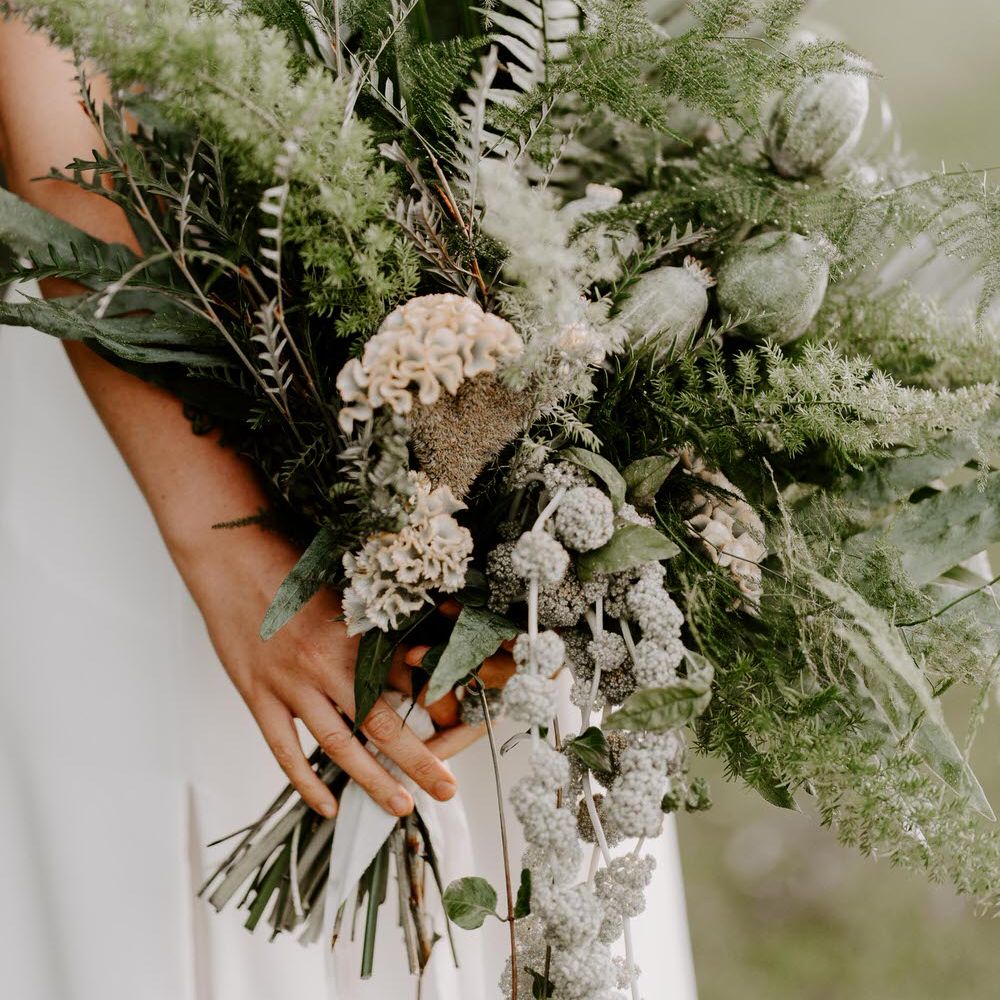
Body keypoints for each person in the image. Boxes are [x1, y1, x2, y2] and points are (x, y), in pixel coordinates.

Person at [0, 14, 698, 1000]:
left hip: (531, 284)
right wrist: (223, 551)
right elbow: (46, 35)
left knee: (533, 845)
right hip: (180, 340)